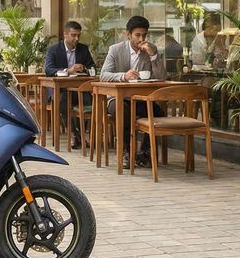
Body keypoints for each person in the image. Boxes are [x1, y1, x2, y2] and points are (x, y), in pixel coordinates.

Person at [100, 15, 167, 168]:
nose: (141, 39)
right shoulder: (115, 50)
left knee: (158, 113)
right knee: (123, 111)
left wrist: (153, 56)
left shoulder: (151, 50)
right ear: (128, 34)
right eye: (137, 35)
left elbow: (161, 77)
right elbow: (104, 75)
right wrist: (123, 76)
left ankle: (144, 152)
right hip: (116, 99)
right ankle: (127, 152)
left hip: (140, 98)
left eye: (144, 35)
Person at [43, 21, 96, 150]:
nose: (76, 39)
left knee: (90, 100)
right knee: (63, 100)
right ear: (65, 34)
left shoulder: (83, 49)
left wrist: (84, 69)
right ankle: (73, 134)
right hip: (60, 90)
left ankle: (81, 133)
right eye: (73, 35)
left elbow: (93, 67)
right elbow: (49, 70)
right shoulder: (54, 50)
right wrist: (68, 71)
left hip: (79, 90)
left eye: (78, 35)